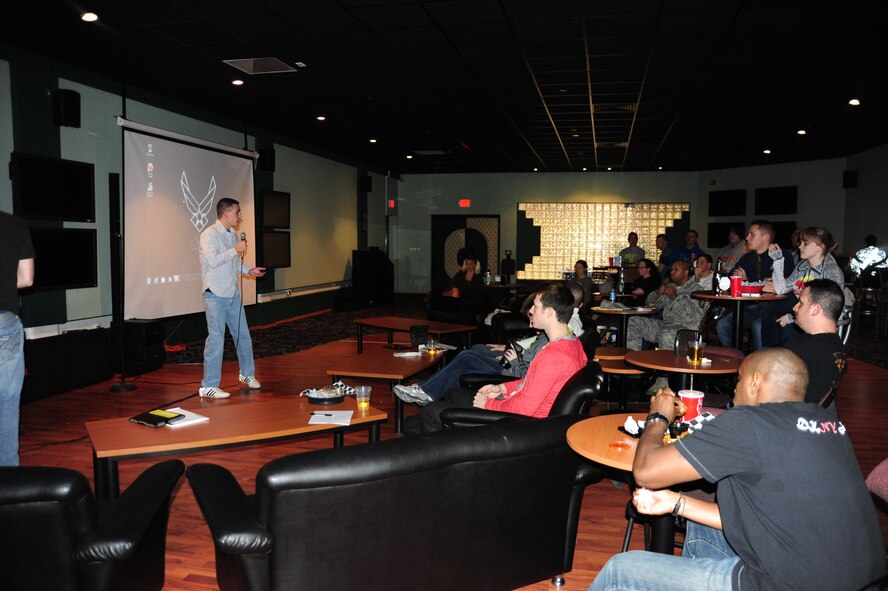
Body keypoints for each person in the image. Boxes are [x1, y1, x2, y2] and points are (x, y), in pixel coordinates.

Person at [590, 348, 886, 591]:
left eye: (740, 378)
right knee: (701, 526)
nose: (734, 387)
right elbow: (764, 517)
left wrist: (658, 416)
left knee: (621, 570)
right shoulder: (831, 426)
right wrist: (675, 502)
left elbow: (646, 472)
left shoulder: (748, 423)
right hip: (864, 579)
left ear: (756, 381)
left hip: (785, 583)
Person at [406, 282, 587, 434]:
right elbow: (529, 382)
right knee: (452, 394)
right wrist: (501, 387)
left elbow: (526, 409)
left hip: (523, 426)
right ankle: (418, 436)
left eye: (536, 306)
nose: (530, 310)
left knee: (431, 412)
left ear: (549, 312)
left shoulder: (555, 356)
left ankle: (444, 463)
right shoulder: (571, 343)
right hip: (518, 409)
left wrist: (489, 404)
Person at [198, 198, 266, 399]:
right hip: (215, 294)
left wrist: (248, 270)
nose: (239, 216)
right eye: (237, 212)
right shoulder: (209, 234)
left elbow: (232, 263)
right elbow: (213, 261)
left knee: (243, 335)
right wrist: (234, 250)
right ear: (226, 213)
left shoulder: (232, 234)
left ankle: (247, 374)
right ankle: (208, 386)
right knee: (216, 339)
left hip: (232, 293)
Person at [761, 226, 845, 345]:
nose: (800, 246)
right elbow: (781, 289)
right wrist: (778, 261)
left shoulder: (831, 271)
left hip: (819, 323)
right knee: (768, 317)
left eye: (805, 243)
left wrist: (791, 318)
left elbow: (826, 309)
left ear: (819, 247)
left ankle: (777, 359)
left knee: (782, 332)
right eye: (800, 243)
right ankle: (768, 359)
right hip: (802, 315)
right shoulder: (803, 267)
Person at [716, 220, 793, 350]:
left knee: (759, 326)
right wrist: (754, 283)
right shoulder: (747, 258)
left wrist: (748, 281)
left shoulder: (782, 256)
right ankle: (736, 361)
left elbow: (778, 286)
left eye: (752, 234)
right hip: (752, 307)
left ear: (765, 237)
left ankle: (759, 366)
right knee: (723, 325)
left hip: (775, 308)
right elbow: (732, 278)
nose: (747, 238)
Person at [0, 212, 34, 466]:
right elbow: (26, 278)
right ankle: (9, 478)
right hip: (4, 325)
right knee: (7, 403)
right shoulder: (14, 223)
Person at [782, 279, 847, 406]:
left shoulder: (801, 347)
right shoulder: (839, 348)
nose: (794, 308)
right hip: (813, 419)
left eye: (800, 303)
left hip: (787, 418)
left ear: (816, 309)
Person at [626, 260, 704, 351]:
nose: (672, 272)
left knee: (667, 334)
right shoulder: (671, 286)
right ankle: (632, 358)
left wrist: (675, 298)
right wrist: (659, 293)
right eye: (671, 269)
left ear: (685, 272)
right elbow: (649, 304)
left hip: (685, 329)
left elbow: (694, 318)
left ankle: (665, 363)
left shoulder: (697, 290)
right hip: (666, 325)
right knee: (634, 321)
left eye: (676, 270)